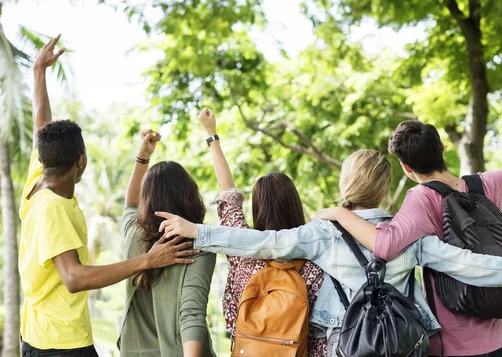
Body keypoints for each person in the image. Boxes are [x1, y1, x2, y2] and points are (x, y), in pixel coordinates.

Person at [155, 147, 502, 355]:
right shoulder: (408, 233)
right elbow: (471, 265)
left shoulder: (323, 233)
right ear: (387, 189)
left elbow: (262, 242)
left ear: (346, 184)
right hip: (405, 345)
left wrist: (198, 231)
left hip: (347, 346)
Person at [312, 76, 502, 357]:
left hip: (455, 346)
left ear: (406, 168)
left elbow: (385, 244)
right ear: (442, 148)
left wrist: (339, 213)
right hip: (500, 340)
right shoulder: (487, 185)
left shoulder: (421, 199)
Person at [19, 36, 196, 357]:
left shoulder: (39, 176)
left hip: (38, 333)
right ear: (80, 161)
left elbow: (40, 125)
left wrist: (39, 73)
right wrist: (148, 259)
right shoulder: (53, 209)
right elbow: (73, 277)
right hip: (60, 344)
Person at [196, 108, 327, 356]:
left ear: (258, 207)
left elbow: (228, 193)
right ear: (295, 204)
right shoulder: (317, 256)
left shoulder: (241, 249)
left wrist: (211, 134)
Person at [117, 130, 217, 357]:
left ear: (147, 198)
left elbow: (130, 204)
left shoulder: (134, 234)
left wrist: (142, 157)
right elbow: (192, 314)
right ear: (189, 195)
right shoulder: (198, 247)